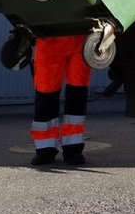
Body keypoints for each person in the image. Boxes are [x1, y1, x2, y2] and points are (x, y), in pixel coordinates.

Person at [29, 35, 91, 165]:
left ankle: (72, 147)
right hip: (51, 40)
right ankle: (46, 148)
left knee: (77, 91)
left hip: (80, 39)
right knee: (46, 93)